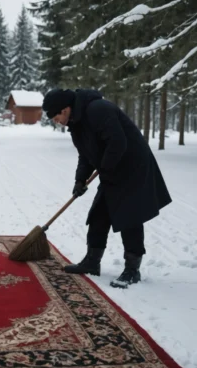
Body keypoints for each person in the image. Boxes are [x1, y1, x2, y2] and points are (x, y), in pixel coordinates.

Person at [42, 88, 171, 288]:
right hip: (111, 168)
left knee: (130, 217)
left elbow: (118, 142)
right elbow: (85, 156)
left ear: (66, 109)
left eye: (56, 115)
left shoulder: (98, 109)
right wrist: (80, 180)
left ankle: (132, 270)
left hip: (132, 167)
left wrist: (104, 168)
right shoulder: (77, 124)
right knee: (99, 215)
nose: (55, 120)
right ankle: (92, 262)